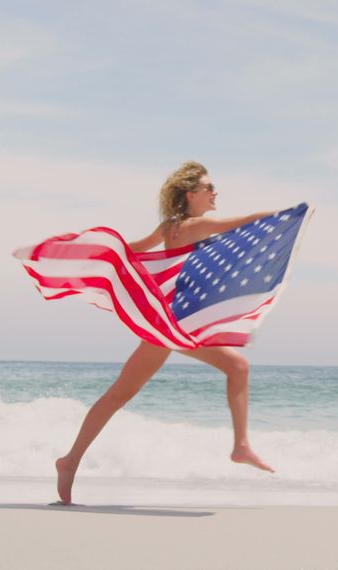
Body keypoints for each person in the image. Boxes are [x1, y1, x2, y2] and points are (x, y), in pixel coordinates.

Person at [53, 161, 280, 505]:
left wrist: (88, 259)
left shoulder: (168, 227)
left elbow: (132, 251)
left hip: (168, 320)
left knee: (120, 393)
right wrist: (290, 212)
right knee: (237, 368)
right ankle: (241, 446)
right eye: (209, 188)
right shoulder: (200, 224)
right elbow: (245, 223)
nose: (215, 193)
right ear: (192, 194)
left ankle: (70, 460)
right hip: (175, 324)